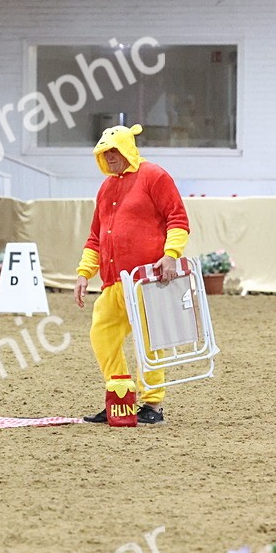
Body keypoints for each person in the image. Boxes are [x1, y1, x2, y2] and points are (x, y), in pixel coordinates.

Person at [74, 124, 189, 426]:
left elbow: (177, 217)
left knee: (150, 339)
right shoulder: (106, 188)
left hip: (145, 278)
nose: (109, 156)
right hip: (113, 281)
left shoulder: (155, 176)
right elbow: (95, 237)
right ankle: (121, 395)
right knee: (103, 332)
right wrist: (85, 272)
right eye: (104, 152)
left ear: (127, 149)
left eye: (113, 150)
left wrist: (170, 255)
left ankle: (152, 404)